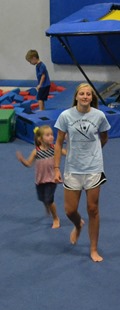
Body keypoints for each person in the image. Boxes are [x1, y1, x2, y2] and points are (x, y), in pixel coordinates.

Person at [53, 83, 110, 263]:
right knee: (70, 210)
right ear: (76, 96)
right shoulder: (66, 116)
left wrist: (94, 153)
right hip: (73, 169)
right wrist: (56, 168)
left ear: (92, 98)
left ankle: (93, 249)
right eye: (82, 93)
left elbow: (104, 138)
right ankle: (78, 224)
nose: (85, 96)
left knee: (93, 209)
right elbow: (58, 142)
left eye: (88, 94)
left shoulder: (99, 116)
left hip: (93, 168)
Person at [16, 125, 62, 229]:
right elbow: (29, 164)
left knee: (49, 199)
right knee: (42, 198)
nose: (51, 137)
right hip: (40, 180)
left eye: (52, 134)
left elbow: (64, 152)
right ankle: (47, 204)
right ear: (40, 139)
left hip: (51, 179)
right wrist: (22, 160)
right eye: (48, 135)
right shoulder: (36, 151)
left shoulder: (54, 148)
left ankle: (55, 218)